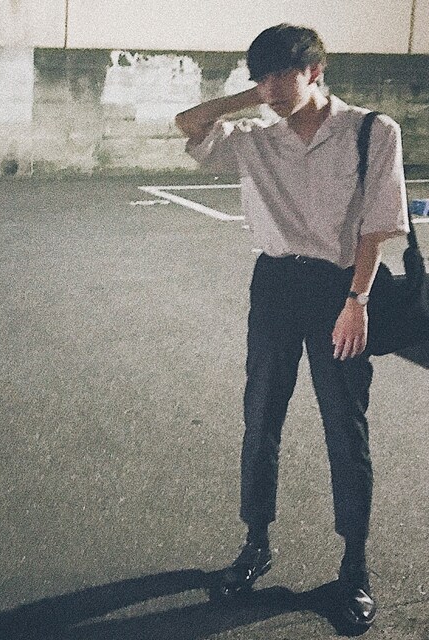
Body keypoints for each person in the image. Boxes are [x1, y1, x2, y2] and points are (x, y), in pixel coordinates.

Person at [175, 23, 409, 629]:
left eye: (283, 73)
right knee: (261, 416)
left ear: (316, 71)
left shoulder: (372, 131)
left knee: (344, 426)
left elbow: (377, 226)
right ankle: (255, 543)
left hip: (340, 288)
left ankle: (354, 566)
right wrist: (251, 95)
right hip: (275, 285)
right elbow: (188, 123)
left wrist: (357, 300)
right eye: (261, 75)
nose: (271, 87)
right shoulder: (257, 138)